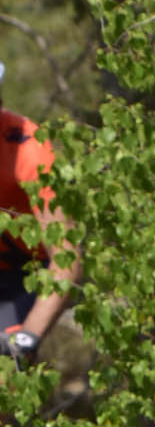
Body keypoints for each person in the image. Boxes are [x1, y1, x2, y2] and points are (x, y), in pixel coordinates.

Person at [0, 62, 81, 369]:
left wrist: (26, 338)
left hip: (25, 276)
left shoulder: (29, 149)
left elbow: (66, 260)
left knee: (6, 374)